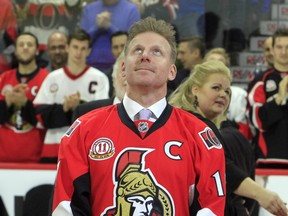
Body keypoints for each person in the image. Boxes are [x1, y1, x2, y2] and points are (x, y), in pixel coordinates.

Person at [52, 17, 226, 215]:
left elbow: (210, 209)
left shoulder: (201, 136)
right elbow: (66, 209)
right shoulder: (83, 130)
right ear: (124, 68)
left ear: (172, 72)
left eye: (156, 52)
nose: (145, 56)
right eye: (138, 50)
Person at [168, 60, 288, 216]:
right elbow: (222, 167)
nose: (223, 94)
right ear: (195, 90)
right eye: (216, 88)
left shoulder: (222, 128)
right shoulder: (187, 124)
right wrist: (261, 194)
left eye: (227, 91)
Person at [34, 29, 109, 163]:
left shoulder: (99, 78)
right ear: (67, 47)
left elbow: (103, 117)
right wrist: (64, 108)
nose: (78, 52)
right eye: (75, 47)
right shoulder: (52, 78)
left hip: (85, 148)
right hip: (54, 147)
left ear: (89, 51)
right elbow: (38, 115)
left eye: (83, 48)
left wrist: (78, 105)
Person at [0, 32, 49, 162]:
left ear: (37, 50)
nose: (25, 47)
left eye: (30, 44)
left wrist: (25, 103)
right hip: (3, 159)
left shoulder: (47, 79)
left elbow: (48, 120)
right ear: (15, 50)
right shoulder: (3, 78)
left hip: (35, 159)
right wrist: (7, 102)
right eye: (21, 45)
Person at [247, 28, 288, 162]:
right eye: (279, 47)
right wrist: (278, 99)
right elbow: (257, 121)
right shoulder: (260, 81)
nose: (284, 52)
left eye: (287, 47)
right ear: (272, 50)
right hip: (270, 159)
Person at [79, 0, 140, 72]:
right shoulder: (88, 9)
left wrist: (109, 26)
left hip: (121, 68)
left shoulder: (132, 10)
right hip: (89, 67)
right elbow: (80, 41)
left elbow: (133, 43)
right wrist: (97, 27)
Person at [72, 51, 126, 122]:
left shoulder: (144, 116)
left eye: (135, 71)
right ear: (113, 79)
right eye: (124, 71)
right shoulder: (84, 112)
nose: (129, 78)